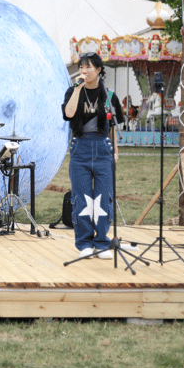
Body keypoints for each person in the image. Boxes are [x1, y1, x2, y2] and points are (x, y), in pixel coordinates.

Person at [62, 52, 124, 260]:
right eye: (81, 67)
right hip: (80, 148)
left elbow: (113, 126)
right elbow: (69, 114)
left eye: (88, 67)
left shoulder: (109, 95)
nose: (84, 71)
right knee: (82, 198)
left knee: (104, 198)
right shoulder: (72, 91)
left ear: (98, 70)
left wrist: (115, 152)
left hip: (103, 148)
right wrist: (77, 88)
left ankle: (102, 242)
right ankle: (85, 243)